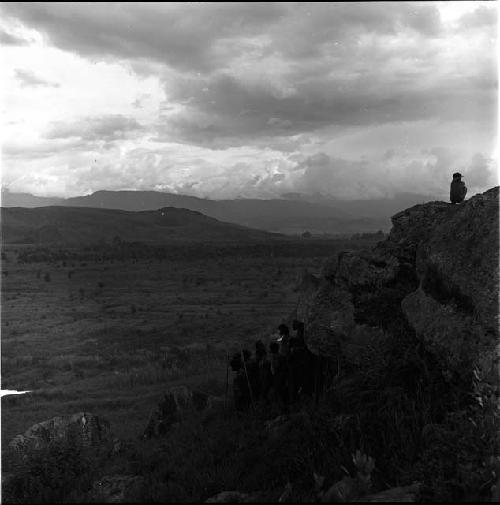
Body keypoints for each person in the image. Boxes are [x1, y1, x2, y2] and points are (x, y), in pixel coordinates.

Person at [269, 341, 289, 406]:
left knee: (280, 392)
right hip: (282, 376)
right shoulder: (281, 356)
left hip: (278, 377)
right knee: (282, 392)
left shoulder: (275, 357)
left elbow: (275, 368)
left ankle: (282, 406)